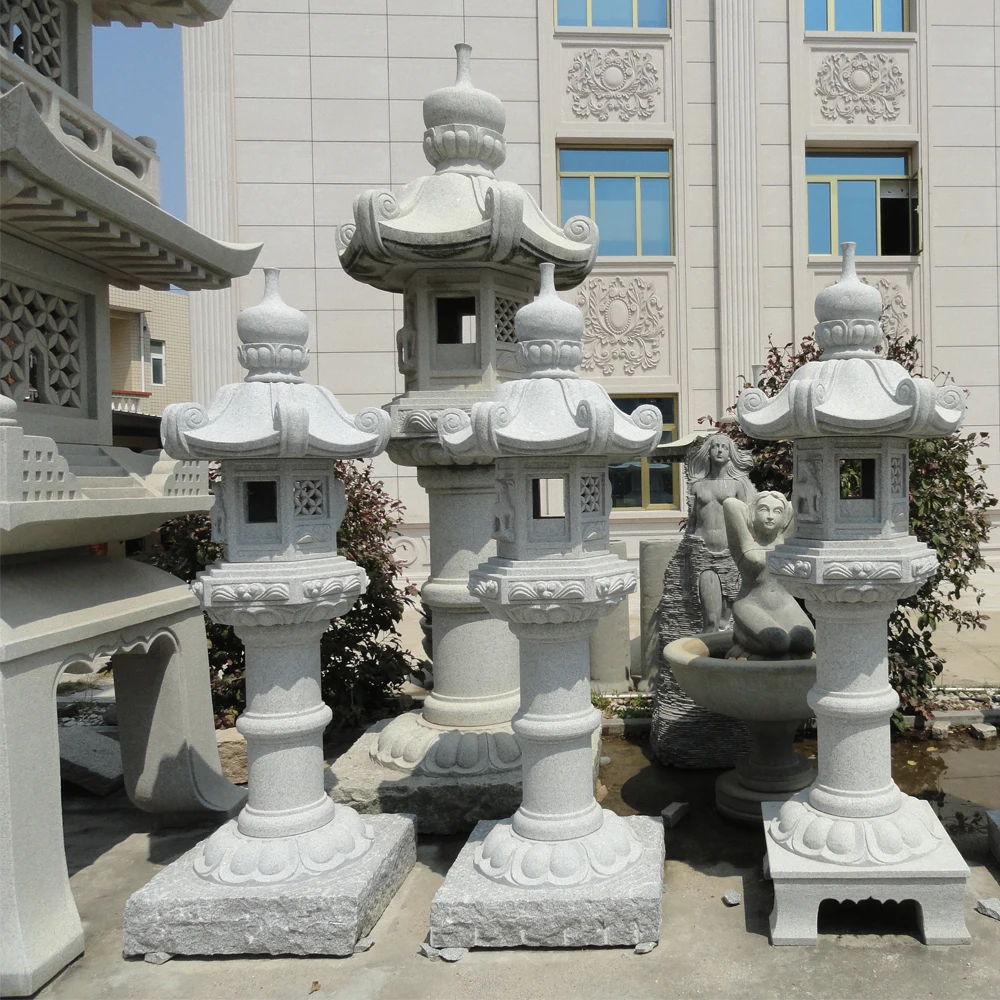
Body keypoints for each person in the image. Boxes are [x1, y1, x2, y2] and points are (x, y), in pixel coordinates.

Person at [723, 492, 815, 659]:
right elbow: (730, 504)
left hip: (785, 603)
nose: (770, 516)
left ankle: (757, 641)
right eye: (764, 510)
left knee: (806, 641)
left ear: (785, 517)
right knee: (777, 643)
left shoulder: (786, 539)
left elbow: (802, 501)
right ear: (752, 513)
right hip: (751, 604)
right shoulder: (747, 541)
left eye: (778, 511)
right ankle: (742, 638)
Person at [684, 433, 756, 631]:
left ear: (730, 454)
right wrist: (686, 552)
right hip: (703, 554)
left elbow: (746, 522)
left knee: (728, 619)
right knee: (711, 618)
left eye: (724, 447)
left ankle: (728, 658)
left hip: (730, 556)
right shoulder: (697, 485)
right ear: (708, 452)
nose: (719, 450)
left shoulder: (737, 486)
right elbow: (692, 522)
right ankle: (705, 659)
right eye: (715, 446)